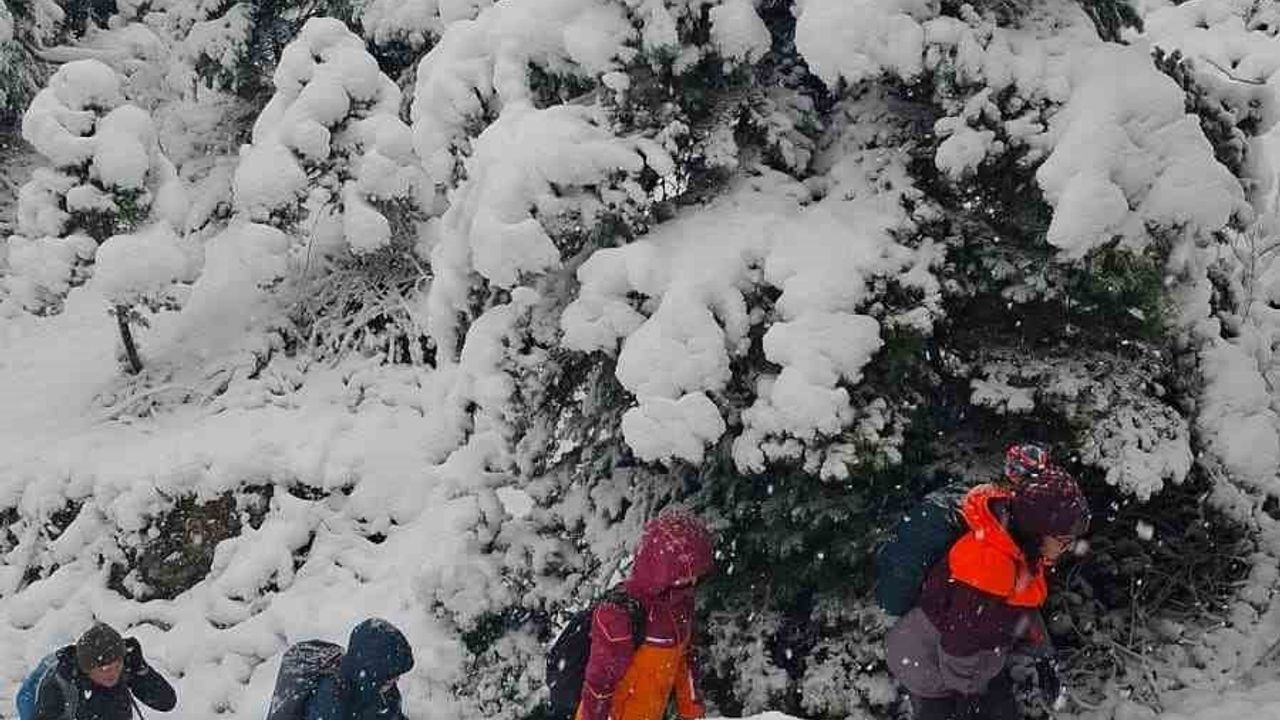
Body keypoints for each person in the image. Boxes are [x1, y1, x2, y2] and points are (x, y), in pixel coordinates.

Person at [885, 467, 1090, 720]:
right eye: (1063, 540)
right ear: (1038, 531)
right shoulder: (988, 567)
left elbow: (1024, 608)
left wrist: (1044, 656)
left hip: (975, 662)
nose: (1068, 548)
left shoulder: (1021, 551)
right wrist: (966, 697)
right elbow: (958, 644)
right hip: (926, 661)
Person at [576, 511, 714, 720]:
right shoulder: (620, 615)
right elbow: (599, 688)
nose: (694, 582)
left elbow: (685, 661)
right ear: (665, 569)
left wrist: (692, 713)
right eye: (687, 576)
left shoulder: (681, 604)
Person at [266, 617, 414, 720]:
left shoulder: (383, 688)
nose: (396, 679)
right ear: (371, 672)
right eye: (390, 676)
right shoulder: (330, 701)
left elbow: (391, 715)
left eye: (396, 675)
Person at [24, 622, 177, 720]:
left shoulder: (125, 667)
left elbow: (166, 702)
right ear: (87, 668)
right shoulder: (60, 684)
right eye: (104, 669)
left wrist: (141, 670)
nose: (112, 673)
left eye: (117, 665)